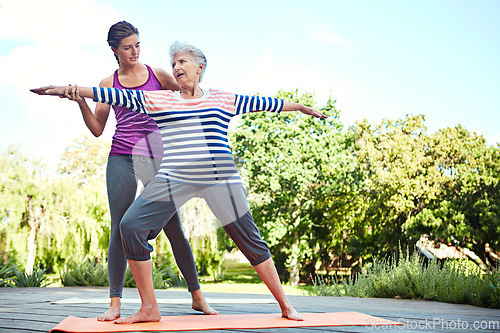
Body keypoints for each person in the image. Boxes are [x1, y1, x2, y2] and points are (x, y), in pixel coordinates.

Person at [31, 40, 327, 324]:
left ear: (200, 67)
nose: (176, 68)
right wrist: (67, 90)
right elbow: (110, 95)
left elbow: (267, 103)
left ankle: (286, 305)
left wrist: (300, 107)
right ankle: (149, 308)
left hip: (219, 177)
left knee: (249, 240)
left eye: (182, 62)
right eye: (173, 64)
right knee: (130, 226)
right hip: (175, 177)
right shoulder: (161, 100)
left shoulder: (223, 99)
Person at [60, 22, 217, 321]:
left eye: (138, 45)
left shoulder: (157, 75)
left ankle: (197, 297)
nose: (135, 52)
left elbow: (186, 98)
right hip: (122, 156)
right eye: (128, 47)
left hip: (158, 158)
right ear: (114, 50)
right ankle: (115, 302)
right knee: (119, 227)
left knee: (175, 229)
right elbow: (97, 129)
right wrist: (81, 101)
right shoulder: (107, 85)